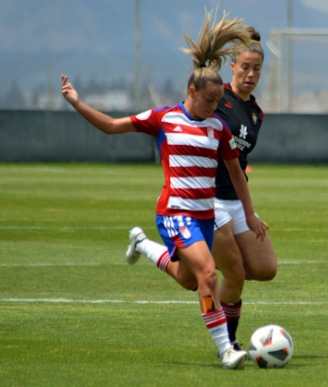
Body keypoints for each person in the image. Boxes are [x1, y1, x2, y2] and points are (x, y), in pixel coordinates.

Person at [61, 10, 268, 369]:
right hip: (174, 213)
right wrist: (78, 103)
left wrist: (249, 213)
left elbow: (236, 171)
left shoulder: (217, 128)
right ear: (192, 92)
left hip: (203, 217)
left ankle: (141, 244)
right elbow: (112, 125)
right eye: (208, 102)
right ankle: (226, 350)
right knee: (208, 274)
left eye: (218, 104)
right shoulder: (164, 118)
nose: (213, 109)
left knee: (190, 280)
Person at [126, 27, 277, 351]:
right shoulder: (215, 99)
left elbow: (240, 163)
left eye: (257, 69)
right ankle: (229, 343)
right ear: (231, 67)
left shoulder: (255, 112)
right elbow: (187, 110)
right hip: (209, 202)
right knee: (231, 273)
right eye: (245, 67)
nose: (251, 74)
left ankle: (151, 248)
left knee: (264, 270)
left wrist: (249, 212)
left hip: (236, 200)